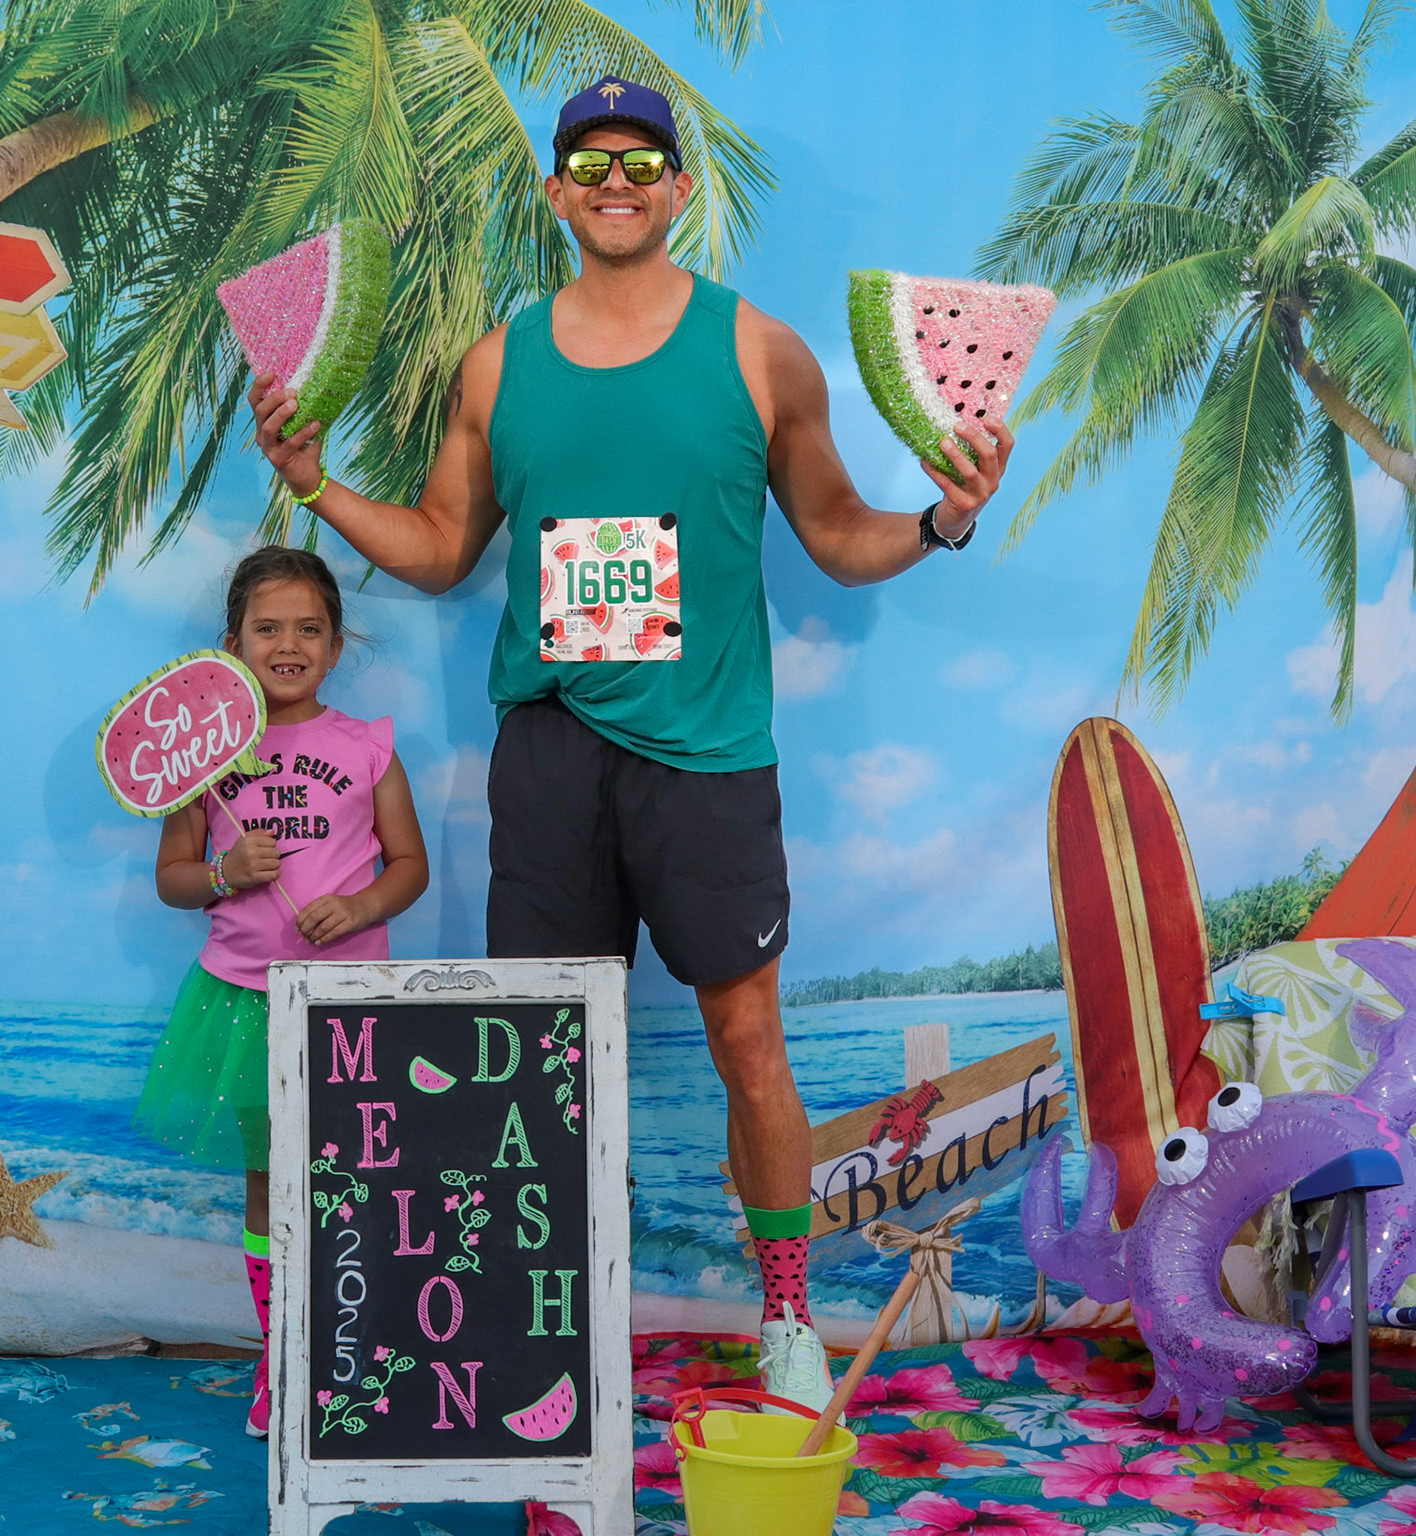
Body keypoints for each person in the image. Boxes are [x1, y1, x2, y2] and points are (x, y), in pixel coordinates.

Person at [247, 75, 1015, 1411]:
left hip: (708, 759)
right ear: (557, 191)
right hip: (550, 758)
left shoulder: (759, 353)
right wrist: (315, 487)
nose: (616, 181)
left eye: (642, 162)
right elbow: (441, 548)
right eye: (591, 162)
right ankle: (556, 1335)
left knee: (750, 1043)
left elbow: (840, 537)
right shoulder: (497, 363)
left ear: (676, 190)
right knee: (543, 1064)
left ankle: (787, 1318)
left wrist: (945, 519)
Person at [135, 546, 430, 1437]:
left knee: (353, 1184)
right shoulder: (203, 759)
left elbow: (409, 864)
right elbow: (172, 878)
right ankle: (282, 1355)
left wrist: (362, 905)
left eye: (309, 629)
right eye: (267, 628)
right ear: (233, 644)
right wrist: (224, 872)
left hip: (348, 1003)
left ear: (336, 647)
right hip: (243, 1004)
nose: (288, 645)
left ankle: (355, 1351)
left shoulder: (367, 748)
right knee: (270, 1182)